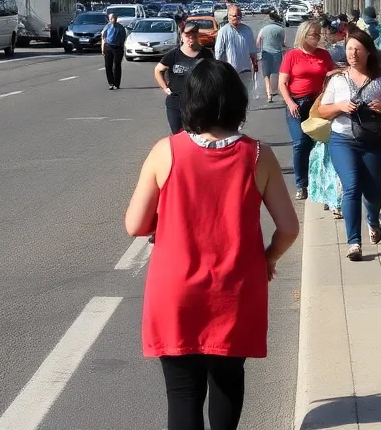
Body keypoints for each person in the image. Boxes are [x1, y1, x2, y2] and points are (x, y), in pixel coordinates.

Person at [126, 60, 299, 430]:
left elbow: (134, 225)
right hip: (235, 288)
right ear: (237, 102)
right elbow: (288, 228)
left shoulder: (165, 151)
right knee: (227, 380)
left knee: (182, 391)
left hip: (175, 289)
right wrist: (268, 258)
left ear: (190, 101)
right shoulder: (258, 155)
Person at [315, 29, 381, 261]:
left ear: (368, 52)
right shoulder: (338, 79)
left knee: (373, 192)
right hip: (342, 140)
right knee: (351, 187)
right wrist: (339, 106)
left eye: (357, 49)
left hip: (373, 141)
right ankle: (354, 243)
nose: (352, 53)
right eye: (349, 48)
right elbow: (322, 110)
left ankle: (373, 219)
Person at [279, 20, 336, 200]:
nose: (318, 37)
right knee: (300, 142)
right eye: (314, 34)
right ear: (303, 35)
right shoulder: (292, 55)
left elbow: (331, 72)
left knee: (317, 142)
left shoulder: (323, 54)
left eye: (319, 34)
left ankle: (317, 182)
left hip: (317, 103)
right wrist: (290, 103)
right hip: (296, 103)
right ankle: (301, 184)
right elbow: (282, 83)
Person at [155, 21, 214, 134]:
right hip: (176, 102)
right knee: (178, 135)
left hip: (198, 102)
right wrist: (165, 88)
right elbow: (158, 70)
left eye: (194, 34)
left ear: (198, 35)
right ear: (182, 36)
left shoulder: (206, 54)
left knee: (197, 134)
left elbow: (213, 74)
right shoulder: (173, 55)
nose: (190, 38)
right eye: (187, 35)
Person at [214, 4, 259, 96]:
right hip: (230, 72)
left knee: (246, 95)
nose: (237, 17)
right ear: (229, 16)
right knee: (232, 97)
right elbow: (219, 53)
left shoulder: (247, 30)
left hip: (246, 70)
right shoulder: (223, 32)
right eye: (234, 15)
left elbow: (252, 49)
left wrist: (255, 63)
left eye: (239, 15)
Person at [256, 13, 287, 103]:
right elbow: (283, 43)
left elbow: (258, 42)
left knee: (266, 74)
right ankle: (280, 90)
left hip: (266, 54)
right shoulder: (281, 29)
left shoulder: (263, 29)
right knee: (279, 73)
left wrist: (258, 53)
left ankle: (269, 94)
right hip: (277, 54)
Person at [102, 11, 128, 91]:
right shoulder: (107, 26)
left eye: (113, 18)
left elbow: (123, 38)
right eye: (110, 18)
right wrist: (103, 47)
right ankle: (111, 83)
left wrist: (120, 45)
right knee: (108, 66)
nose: (111, 20)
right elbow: (103, 36)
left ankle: (116, 84)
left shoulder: (120, 27)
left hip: (117, 48)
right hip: (108, 47)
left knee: (116, 66)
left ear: (116, 19)